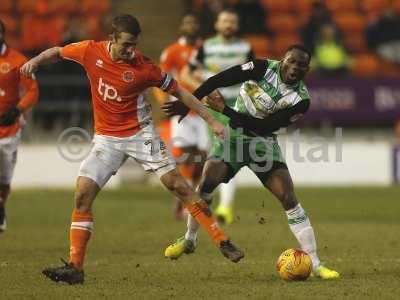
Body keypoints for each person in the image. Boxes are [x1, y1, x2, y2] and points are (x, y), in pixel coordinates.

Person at [20, 14, 244, 285]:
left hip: (141, 135)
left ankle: (223, 241)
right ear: (111, 39)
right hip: (106, 139)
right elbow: (57, 52)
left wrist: (211, 120)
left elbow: (181, 92)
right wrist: (34, 61)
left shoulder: (144, 67)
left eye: (134, 45)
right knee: (82, 194)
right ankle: (75, 267)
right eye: (126, 45)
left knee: (179, 186)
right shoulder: (90, 50)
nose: (131, 50)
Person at [163, 45, 340, 280]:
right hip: (232, 139)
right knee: (205, 186)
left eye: (302, 65)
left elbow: (264, 127)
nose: (295, 67)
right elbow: (220, 78)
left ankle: (315, 263)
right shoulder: (261, 67)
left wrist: (224, 109)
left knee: (288, 198)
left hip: (262, 144)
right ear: (282, 60)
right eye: (292, 61)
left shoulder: (301, 100)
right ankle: (189, 239)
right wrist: (189, 102)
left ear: (307, 69)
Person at [180, 8, 255, 225]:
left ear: (237, 25)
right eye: (225, 21)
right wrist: (204, 89)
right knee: (219, 154)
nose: (228, 24)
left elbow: (254, 77)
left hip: (238, 109)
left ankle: (220, 205)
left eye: (232, 21)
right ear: (217, 25)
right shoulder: (206, 47)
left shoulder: (245, 47)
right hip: (213, 110)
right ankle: (212, 200)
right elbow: (186, 73)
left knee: (227, 153)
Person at [158, 14, 209, 220]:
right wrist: (164, 102)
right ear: (182, 27)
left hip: (204, 112)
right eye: (188, 23)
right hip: (183, 111)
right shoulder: (172, 51)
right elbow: (160, 78)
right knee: (186, 155)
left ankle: (188, 197)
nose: (191, 26)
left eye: (194, 22)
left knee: (203, 159)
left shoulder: (205, 50)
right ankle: (186, 201)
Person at [0, 19, 39, 233]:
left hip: (9, 129)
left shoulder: (16, 60)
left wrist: (17, 110)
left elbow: (33, 90)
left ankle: (1, 206)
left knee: (4, 179)